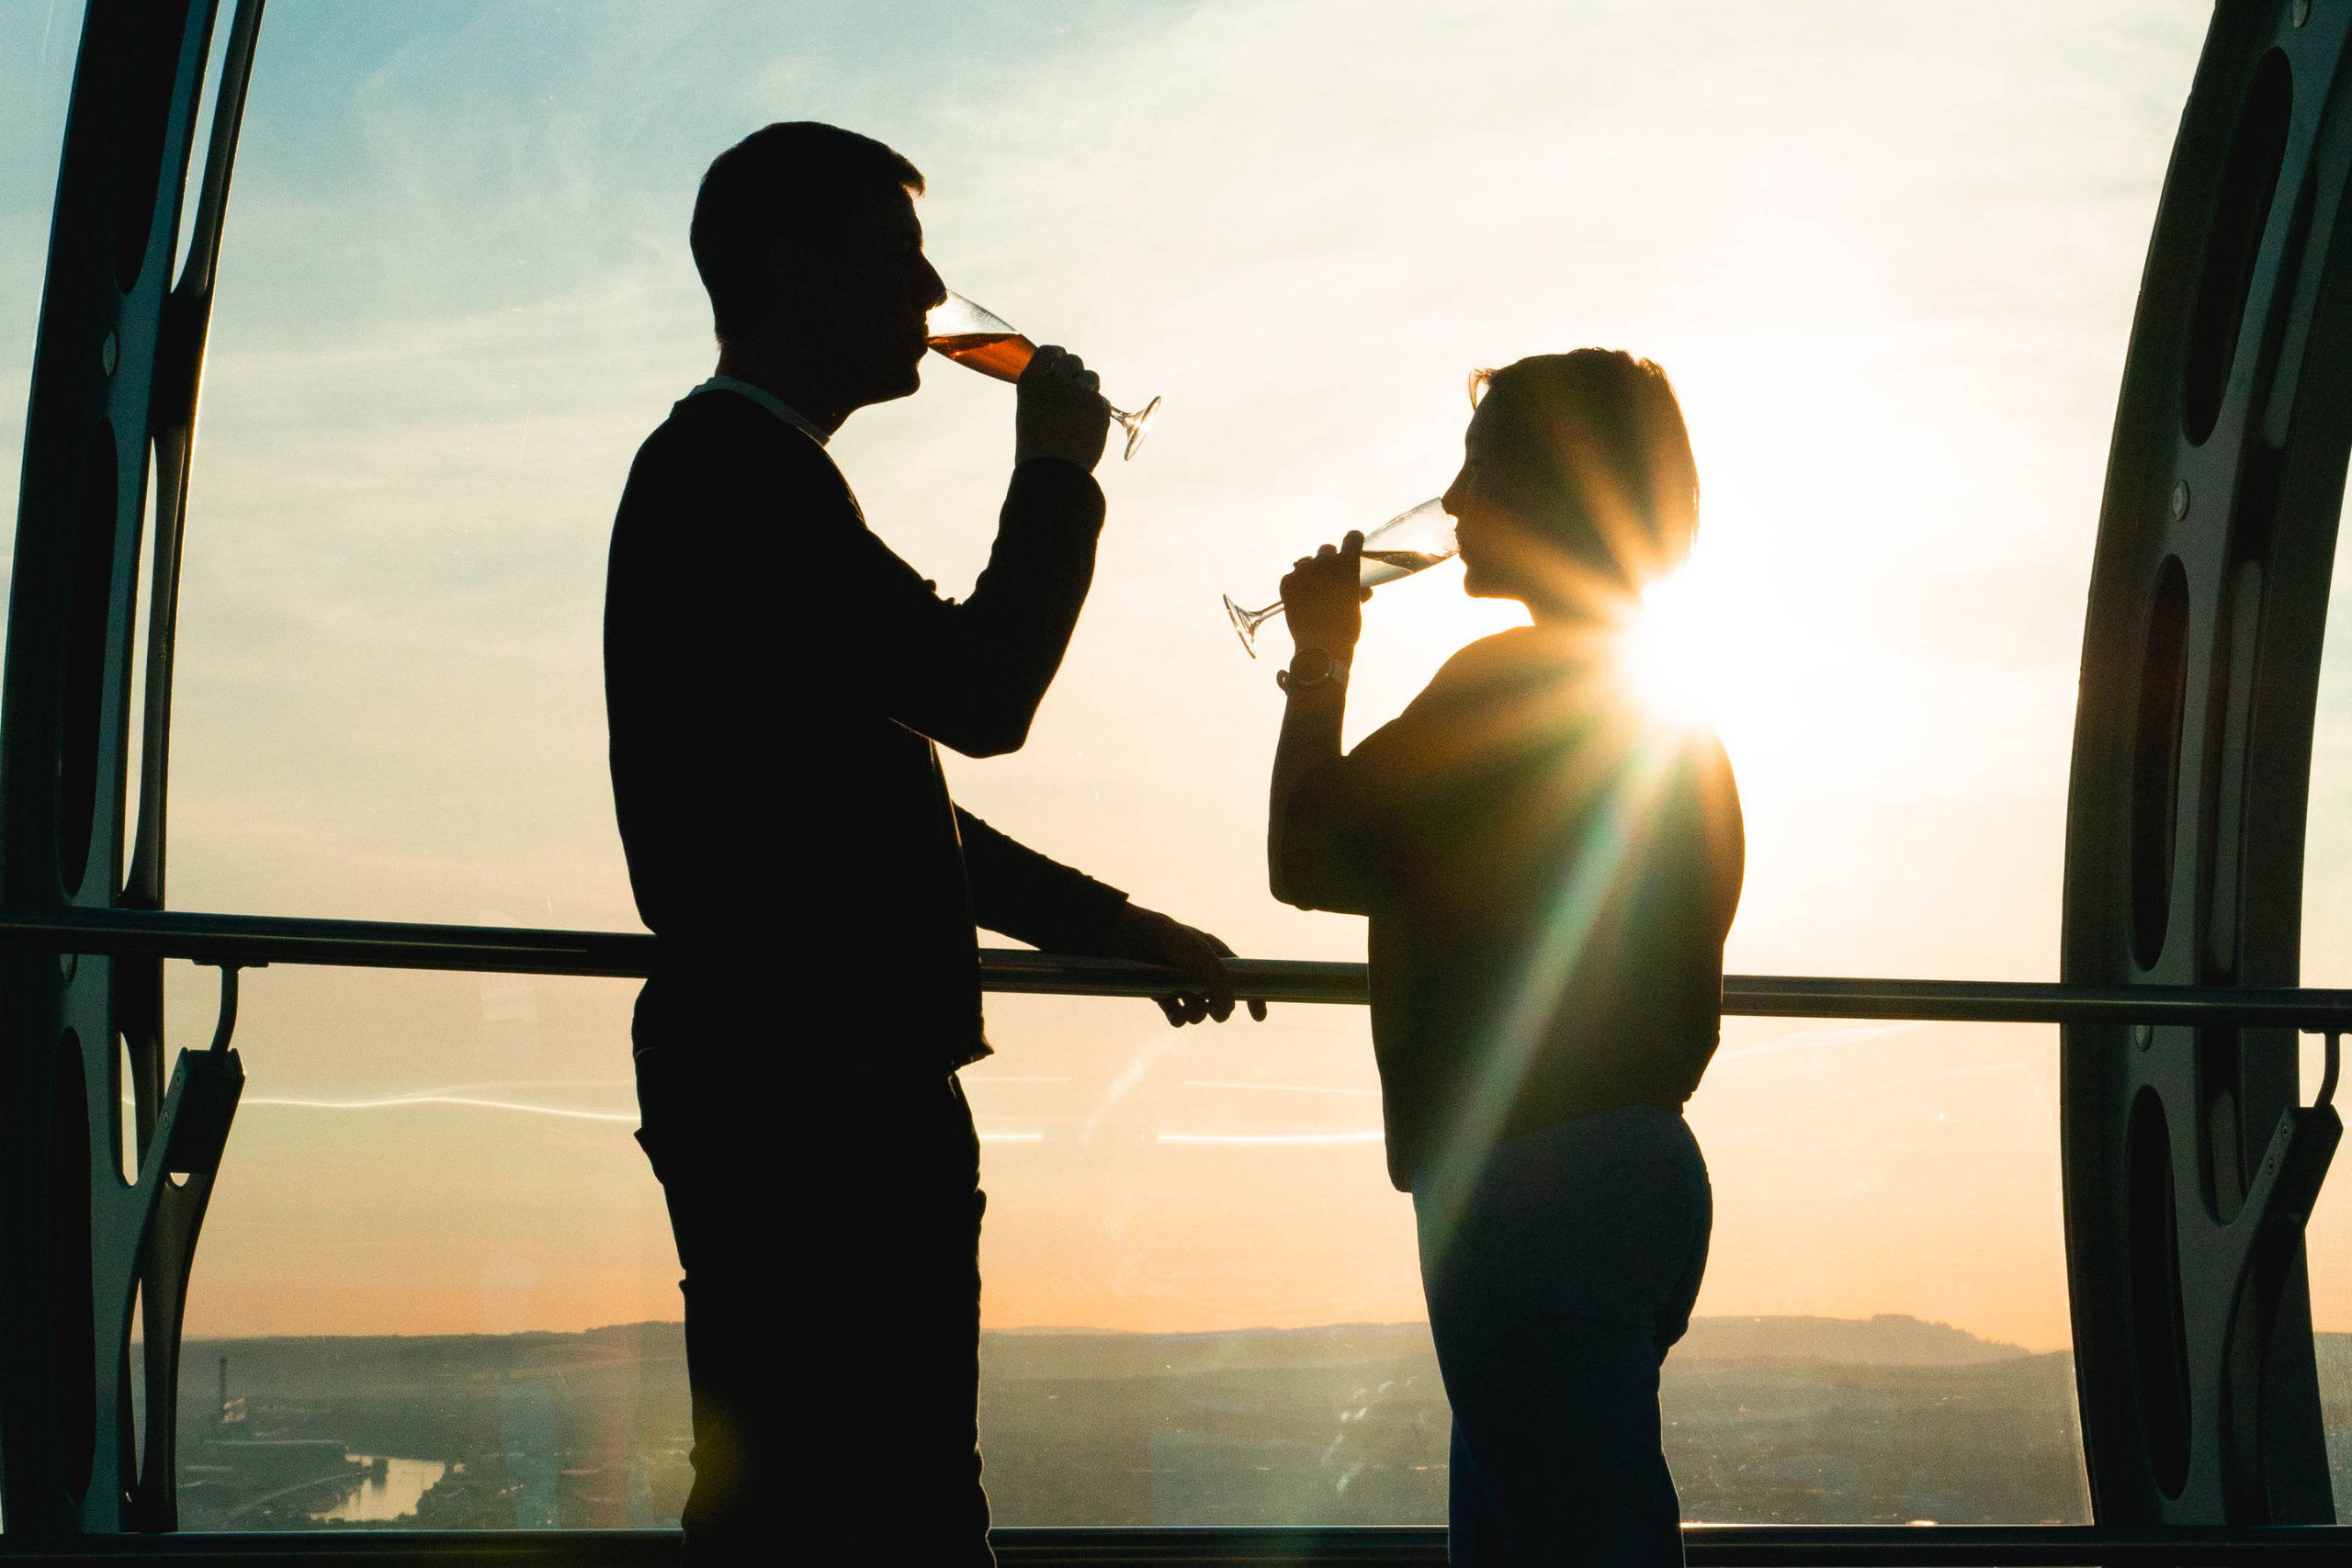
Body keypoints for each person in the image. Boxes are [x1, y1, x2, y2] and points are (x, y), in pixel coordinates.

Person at [605, 122, 1258, 1567]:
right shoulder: (743, 479)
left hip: (787, 1070)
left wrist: (1113, 926)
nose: (932, 293)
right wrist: (1058, 474)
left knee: (817, 1494)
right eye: (899, 255)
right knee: (883, 1503)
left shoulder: (736, 479)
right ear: (796, 265)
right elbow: (980, 693)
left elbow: (879, 801)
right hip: (818, 1083)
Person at [1265, 351, 1744, 1566]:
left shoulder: (1510, 687)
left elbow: (1307, 852)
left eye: (1480, 469)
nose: (1454, 502)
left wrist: (1321, 657)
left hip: (1535, 1181)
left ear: (1551, 492)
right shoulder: (1671, 709)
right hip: (1636, 1164)